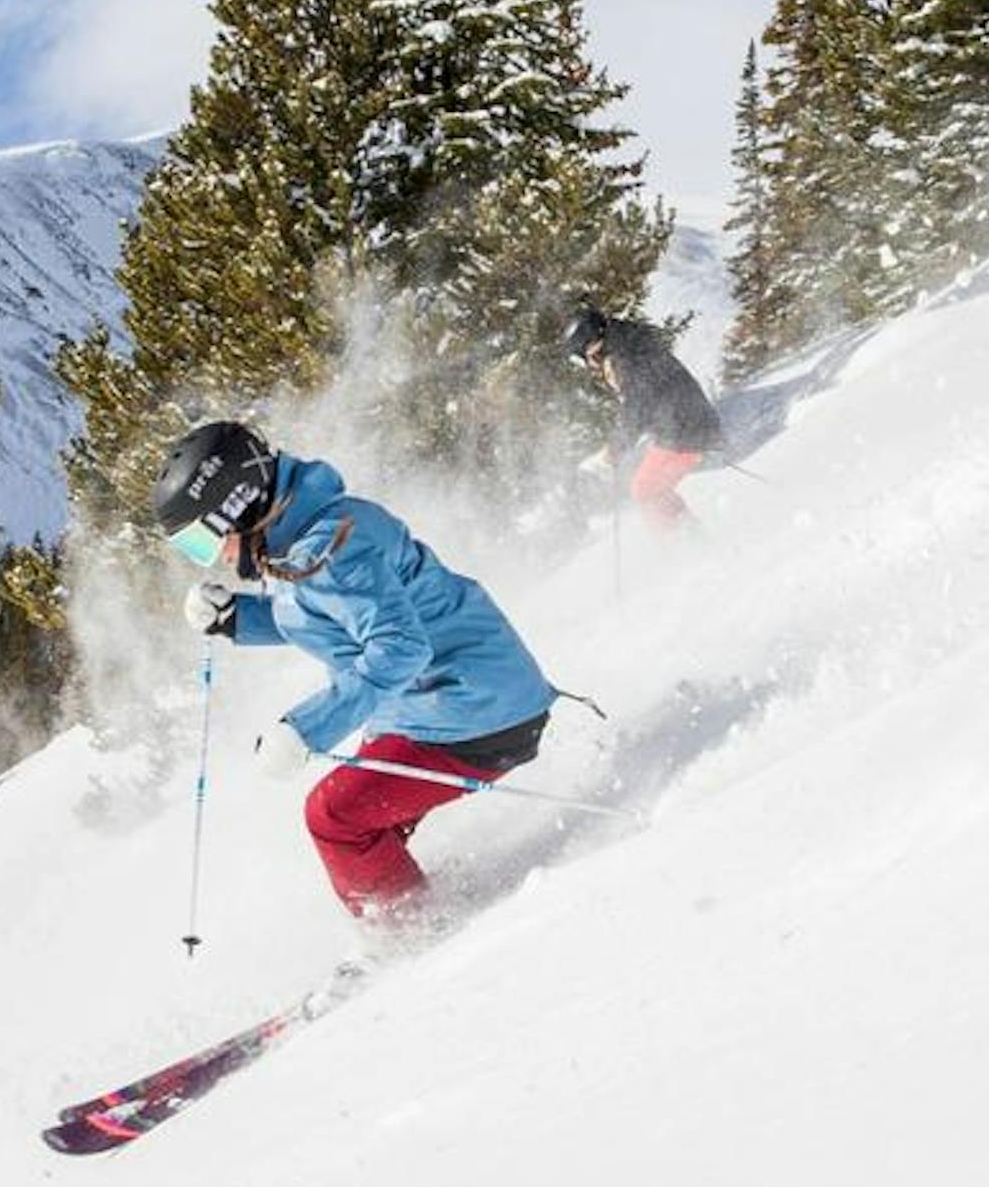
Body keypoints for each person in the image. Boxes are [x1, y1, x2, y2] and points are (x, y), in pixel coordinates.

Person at [153, 421, 558, 925]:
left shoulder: (326, 550)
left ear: (238, 506)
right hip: (455, 699)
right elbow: (327, 612)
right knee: (363, 818)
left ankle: (407, 931)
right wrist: (237, 618)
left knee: (335, 815)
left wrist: (308, 728)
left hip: (474, 709)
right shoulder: (302, 536)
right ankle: (404, 910)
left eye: (201, 542)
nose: (211, 559)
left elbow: (399, 648)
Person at [567, 305, 723, 533]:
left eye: (582, 359)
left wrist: (614, 451)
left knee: (646, 489)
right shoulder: (627, 342)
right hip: (687, 422)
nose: (589, 366)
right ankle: (689, 535)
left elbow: (637, 406)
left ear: (591, 346)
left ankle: (684, 544)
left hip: (684, 429)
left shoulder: (622, 358)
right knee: (649, 488)